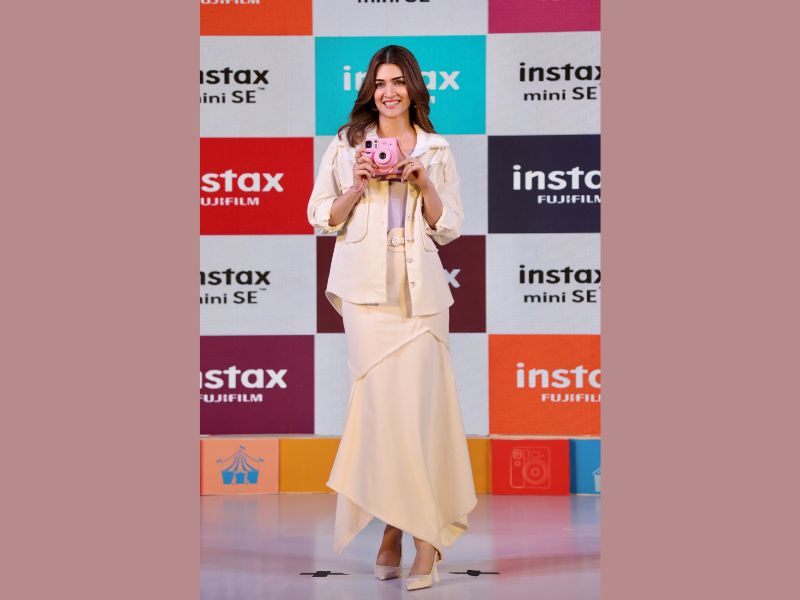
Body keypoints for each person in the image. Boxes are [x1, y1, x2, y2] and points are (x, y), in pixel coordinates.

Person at [307, 45, 477, 591]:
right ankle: (395, 526)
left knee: (422, 414)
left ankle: (422, 537)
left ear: (414, 89)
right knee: (384, 416)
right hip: (365, 295)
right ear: (369, 91)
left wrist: (423, 181)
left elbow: (449, 227)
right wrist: (357, 184)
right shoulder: (345, 145)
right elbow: (320, 217)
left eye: (398, 82)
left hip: (420, 297)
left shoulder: (437, 148)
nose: (389, 92)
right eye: (380, 83)